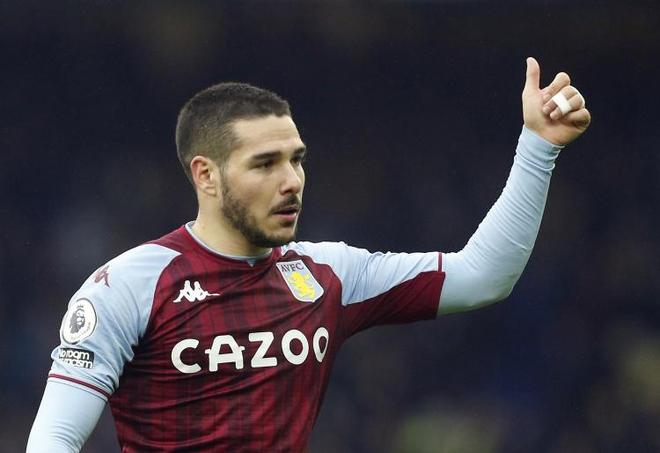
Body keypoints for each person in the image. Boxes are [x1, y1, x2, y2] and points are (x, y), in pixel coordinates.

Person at [27, 57, 590, 452]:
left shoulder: (328, 274)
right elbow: (54, 438)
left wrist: (537, 146)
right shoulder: (128, 285)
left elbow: (483, 277)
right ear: (206, 175)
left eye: (296, 159)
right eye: (265, 163)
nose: (291, 180)